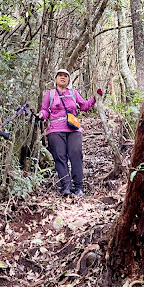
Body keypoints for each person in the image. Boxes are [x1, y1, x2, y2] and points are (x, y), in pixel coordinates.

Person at [38, 69, 102, 197]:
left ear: (69, 80)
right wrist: (41, 115)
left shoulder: (73, 93)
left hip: (73, 129)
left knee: (76, 155)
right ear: (55, 79)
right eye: (60, 76)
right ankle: (66, 186)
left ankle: (78, 187)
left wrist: (95, 98)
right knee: (60, 157)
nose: (63, 78)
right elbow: (45, 110)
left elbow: (84, 106)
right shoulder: (50, 94)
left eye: (65, 76)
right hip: (55, 129)